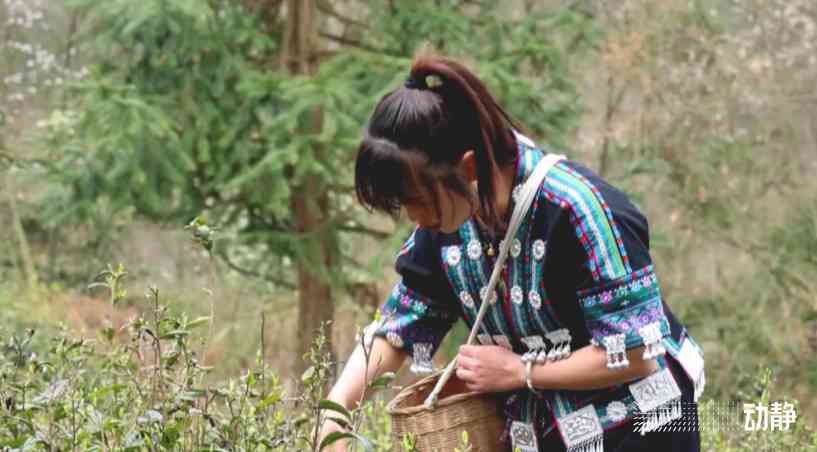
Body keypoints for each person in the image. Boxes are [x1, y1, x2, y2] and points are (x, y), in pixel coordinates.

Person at [320, 54, 705, 451]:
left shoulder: (581, 211)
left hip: (644, 429)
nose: (416, 217)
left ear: (467, 168)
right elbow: (398, 330)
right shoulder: (447, 223)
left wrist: (522, 371)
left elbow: (639, 352)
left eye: (418, 200)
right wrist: (334, 413)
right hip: (550, 435)